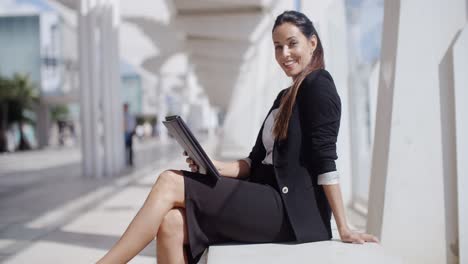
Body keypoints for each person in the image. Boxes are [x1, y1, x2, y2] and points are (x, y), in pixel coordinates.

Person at [97, 10, 378, 264]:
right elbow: (253, 161)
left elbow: (325, 157)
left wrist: (343, 226)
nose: (284, 54)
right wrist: (212, 165)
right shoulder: (284, 97)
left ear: (312, 43)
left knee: (169, 181)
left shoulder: (319, 84)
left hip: (290, 210)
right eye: (278, 47)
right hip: (266, 196)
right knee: (171, 223)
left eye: (292, 43)